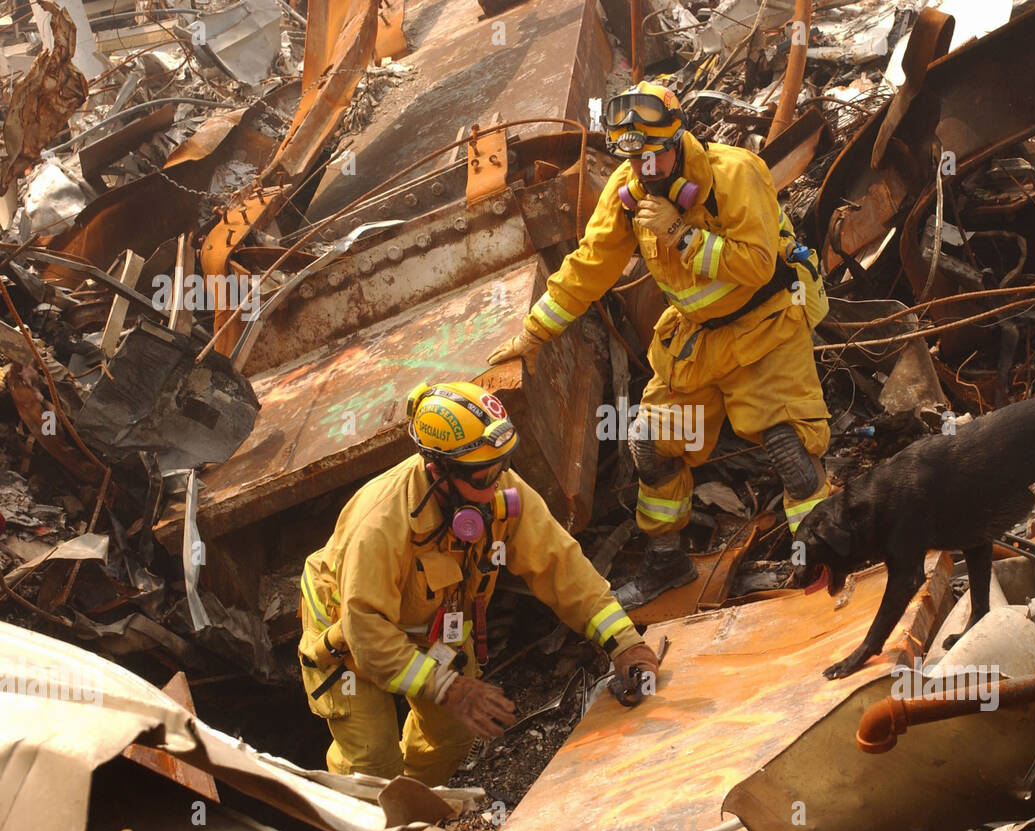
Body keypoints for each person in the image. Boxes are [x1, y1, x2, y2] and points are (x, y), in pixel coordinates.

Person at [487, 81, 832, 609]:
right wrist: (535, 334)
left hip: (766, 324)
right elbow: (588, 268)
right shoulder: (627, 194)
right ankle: (667, 561)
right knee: (651, 441)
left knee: (790, 448)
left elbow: (758, 264)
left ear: (679, 137)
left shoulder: (735, 174)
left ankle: (823, 560)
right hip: (697, 338)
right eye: (635, 158)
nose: (646, 170)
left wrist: (685, 236)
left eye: (655, 155)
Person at [298, 380, 659, 785]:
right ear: (438, 471)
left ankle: (412, 820)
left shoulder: (501, 490)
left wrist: (625, 643)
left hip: (430, 626)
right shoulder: (380, 525)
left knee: (450, 740)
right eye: (483, 478)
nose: (497, 488)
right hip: (346, 638)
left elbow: (563, 567)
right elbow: (366, 631)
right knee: (370, 770)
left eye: (503, 467)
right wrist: (449, 688)